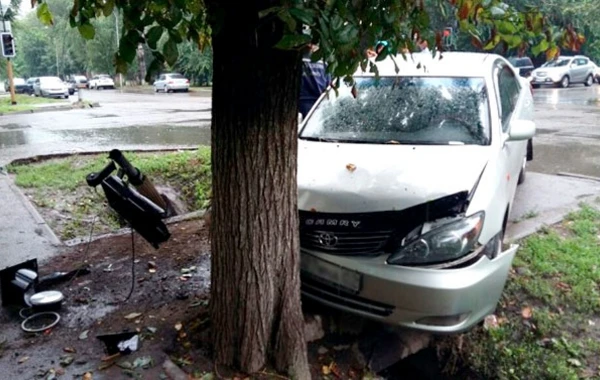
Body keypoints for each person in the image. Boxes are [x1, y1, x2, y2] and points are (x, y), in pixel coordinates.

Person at [299, 44, 331, 118]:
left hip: (300, 105)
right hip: (320, 106)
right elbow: (329, 87)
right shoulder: (323, 64)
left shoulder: (297, 63)